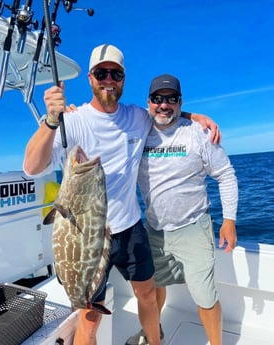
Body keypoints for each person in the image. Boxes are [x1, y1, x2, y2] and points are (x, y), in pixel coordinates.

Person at [23, 44, 220, 345]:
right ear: (90, 78)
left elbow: (164, 111)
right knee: (90, 316)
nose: (109, 79)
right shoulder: (72, 121)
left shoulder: (137, 117)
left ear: (123, 79)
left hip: (130, 229)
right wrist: (51, 120)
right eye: (102, 73)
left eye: (115, 73)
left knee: (148, 295)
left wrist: (195, 116)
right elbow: (32, 167)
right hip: (85, 235)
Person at [125, 74, 238, 345]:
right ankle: (155, 332)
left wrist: (229, 221)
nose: (164, 105)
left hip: (194, 230)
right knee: (154, 288)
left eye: (171, 99)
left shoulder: (197, 132)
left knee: (205, 296)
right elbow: (106, 118)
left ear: (180, 102)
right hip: (154, 231)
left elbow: (226, 175)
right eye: (157, 99)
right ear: (148, 102)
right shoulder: (138, 130)